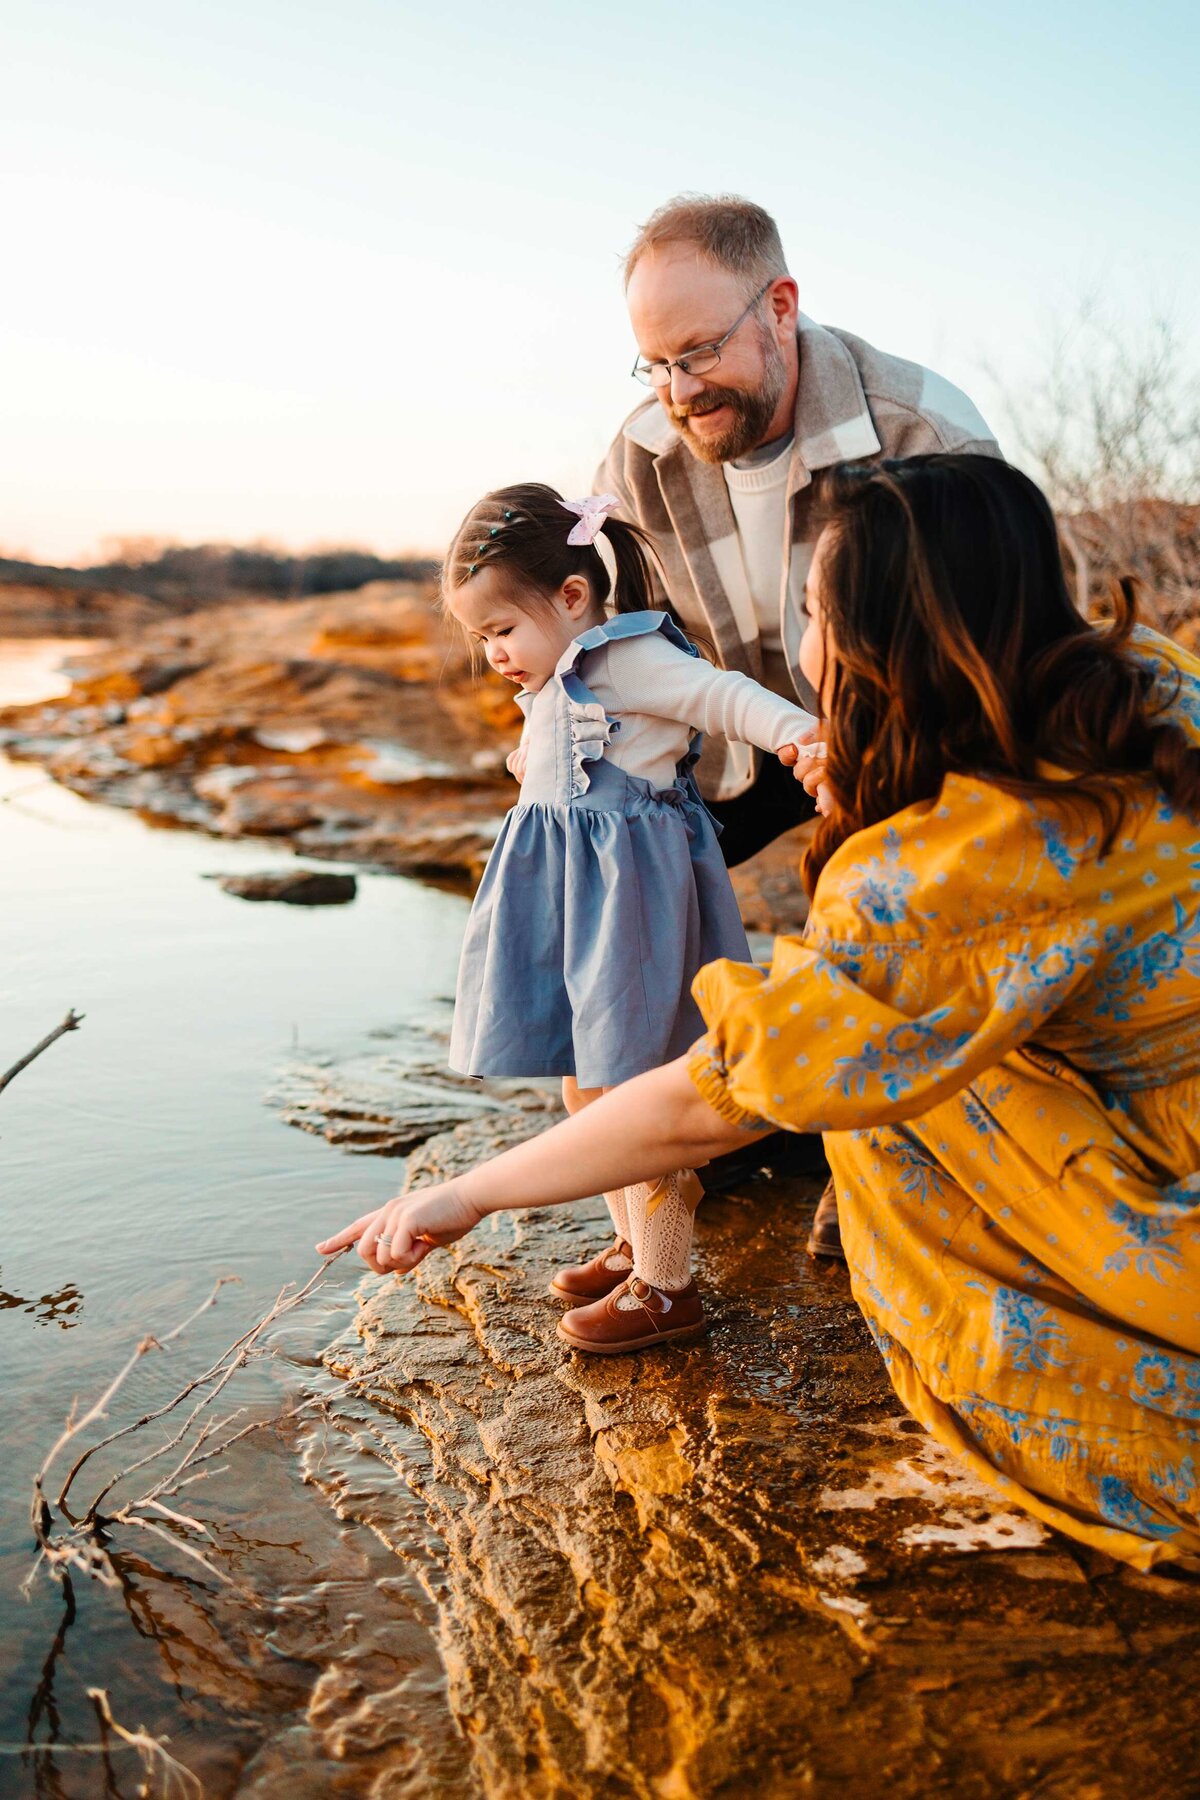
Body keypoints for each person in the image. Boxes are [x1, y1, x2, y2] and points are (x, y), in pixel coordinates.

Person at [320, 455, 1200, 1570]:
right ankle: (640, 1246)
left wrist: (466, 1195)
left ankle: (709, 1286)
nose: (802, 645)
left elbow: (723, 1096)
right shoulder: (1152, 683)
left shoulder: (952, 876)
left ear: (887, 638)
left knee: (873, 1112)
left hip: (1172, 1224)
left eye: (815, 613)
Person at [600, 194, 1005, 1237]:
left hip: (914, 740)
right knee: (612, 865)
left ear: (780, 306)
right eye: (654, 363)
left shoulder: (928, 434)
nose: (679, 393)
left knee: (893, 897)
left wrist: (863, 771)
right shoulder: (642, 452)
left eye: (698, 353)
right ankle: (690, 1154)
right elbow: (606, 629)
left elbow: (995, 669)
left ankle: (885, 1149)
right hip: (734, 743)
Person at [426, 480, 817, 1352]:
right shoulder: (558, 674)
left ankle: (667, 1286)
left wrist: (800, 734)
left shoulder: (629, 659)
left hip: (632, 907)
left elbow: (725, 696)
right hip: (573, 903)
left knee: (629, 1086)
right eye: (481, 637)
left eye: (501, 630)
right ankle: (636, 1243)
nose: (493, 652)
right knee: (582, 1083)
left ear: (571, 597)